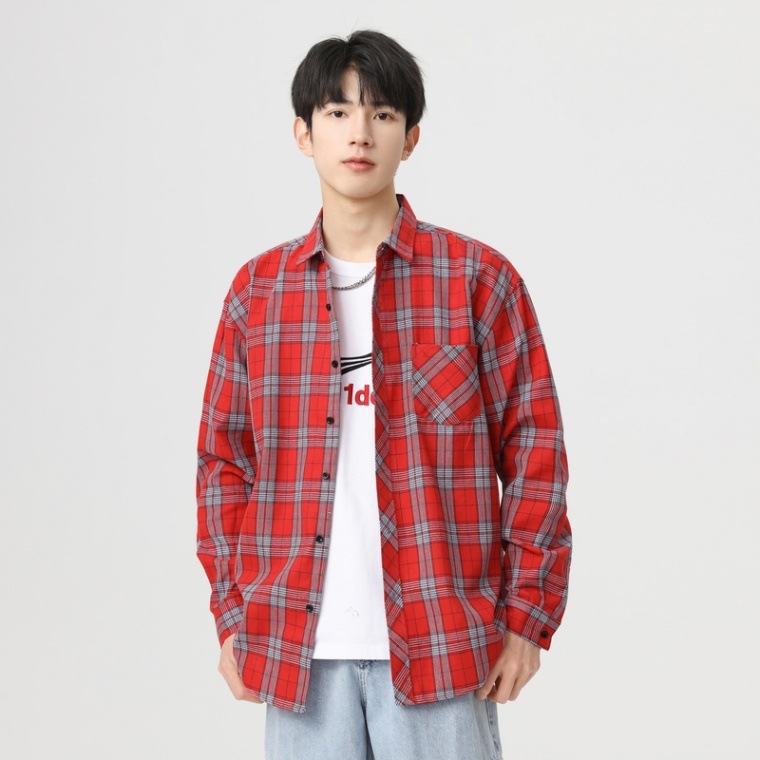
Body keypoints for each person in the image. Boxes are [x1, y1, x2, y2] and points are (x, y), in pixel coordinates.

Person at [196, 29, 572, 760]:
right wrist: (234, 616)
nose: (359, 133)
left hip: (443, 642)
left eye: (383, 114)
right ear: (303, 134)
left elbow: (535, 451)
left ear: (412, 136)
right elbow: (223, 464)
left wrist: (527, 617)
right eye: (337, 113)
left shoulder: (477, 281)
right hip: (300, 651)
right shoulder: (258, 294)